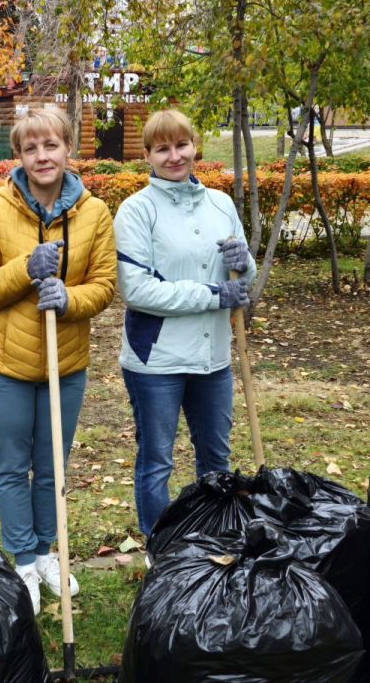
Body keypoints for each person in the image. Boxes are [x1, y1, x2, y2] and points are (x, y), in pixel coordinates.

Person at [0, 108, 116, 614]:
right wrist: (26, 269)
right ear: (18, 155)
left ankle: (48, 551)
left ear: (67, 148)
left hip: (64, 364)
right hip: (4, 367)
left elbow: (105, 286)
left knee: (52, 467)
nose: (42, 156)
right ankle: (23, 561)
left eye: (51, 145)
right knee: (12, 468)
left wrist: (69, 300)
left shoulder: (93, 212)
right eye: (31, 148)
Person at [113, 109, 257, 538]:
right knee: (157, 460)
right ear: (148, 155)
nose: (174, 156)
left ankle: (212, 540)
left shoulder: (221, 204)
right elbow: (138, 290)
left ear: (195, 146)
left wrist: (243, 264)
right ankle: (161, 546)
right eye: (162, 148)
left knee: (216, 457)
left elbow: (241, 279)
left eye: (181, 145)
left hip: (213, 357)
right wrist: (213, 295)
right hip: (156, 360)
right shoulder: (136, 211)